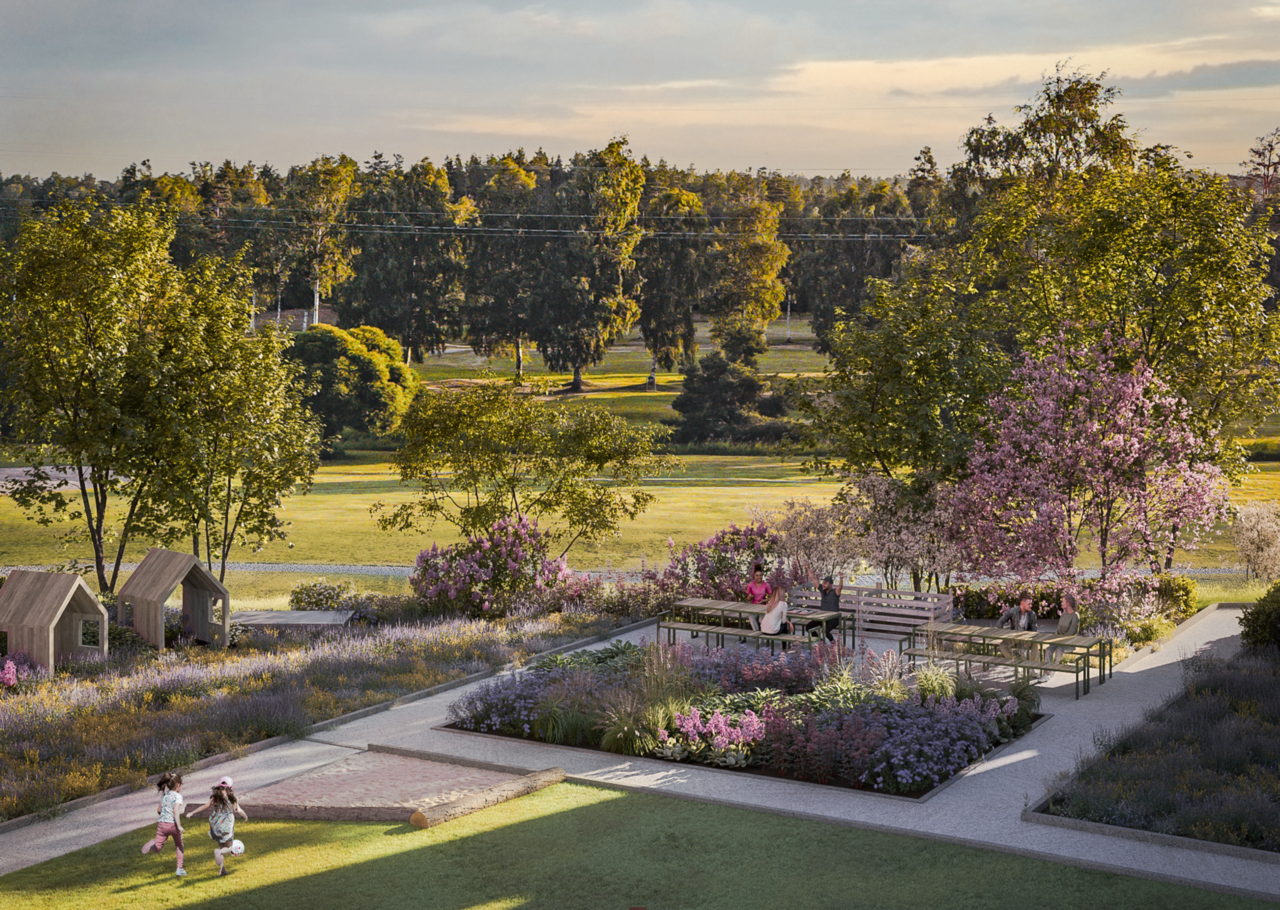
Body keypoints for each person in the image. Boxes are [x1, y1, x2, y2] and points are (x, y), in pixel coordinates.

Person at [187, 776, 249, 877]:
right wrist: (245, 816)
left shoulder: (215, 797)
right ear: (230, 787)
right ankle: (219, 852)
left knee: (221, 846)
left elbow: (205, 806)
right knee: (229, 848)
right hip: (226, 826)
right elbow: (238, 810)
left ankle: (222, 870)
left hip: (216, 825)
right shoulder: (231, 798)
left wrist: (192, 813)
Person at [141, 771, 186, 876]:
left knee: (157, 848)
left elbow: (158, 810)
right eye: (181, 784)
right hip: (173, 825)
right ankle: (179, 869)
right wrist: (179, 826)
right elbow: (175, 811)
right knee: (179, 845)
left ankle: (153, 845)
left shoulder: (164, 795)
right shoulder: (178, 796)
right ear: (177, 785)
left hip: (162, 824)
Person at [803, 564, 843, 643]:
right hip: (823, 618)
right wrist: (807, 568)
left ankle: (834, 644)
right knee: (808, 627)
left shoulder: (835, 592)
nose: (823, 584)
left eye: (825, 583)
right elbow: (814, 579)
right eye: (823, 582)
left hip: (833, 619)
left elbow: (840, 587)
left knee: (825, 631)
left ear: (830, 585)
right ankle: (821, 642)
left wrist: (841, 578)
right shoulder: (822, 590)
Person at [997, 592, 1038, 662]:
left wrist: (1030, 640)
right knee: (1002, 646)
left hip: (1026, 638)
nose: (1031, 606)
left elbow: (1034, 630)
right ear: (1022, 604)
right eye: (1029, 604)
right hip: (1014, 637)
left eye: (1031, 604)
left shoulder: (1032, 614)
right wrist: (1004, 636)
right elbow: (1000, 622)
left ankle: (1031, 666)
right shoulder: (1013, 611)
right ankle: (1015, 662)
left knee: (1035, 645)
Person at [1048, 593, 1080, 664]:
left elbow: (1071, 633)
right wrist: (1054, 639)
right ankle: (1046, 669)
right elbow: (1058, 630)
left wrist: (1060, 640)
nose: (1061, 603)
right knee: (1048, 649)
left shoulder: (1075, 616)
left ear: (1068, 603)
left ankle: (1054, 667)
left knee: (1059, 649)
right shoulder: (1063, 615)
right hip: (1059, 641)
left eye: (1063, 602)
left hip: (1069, 643)